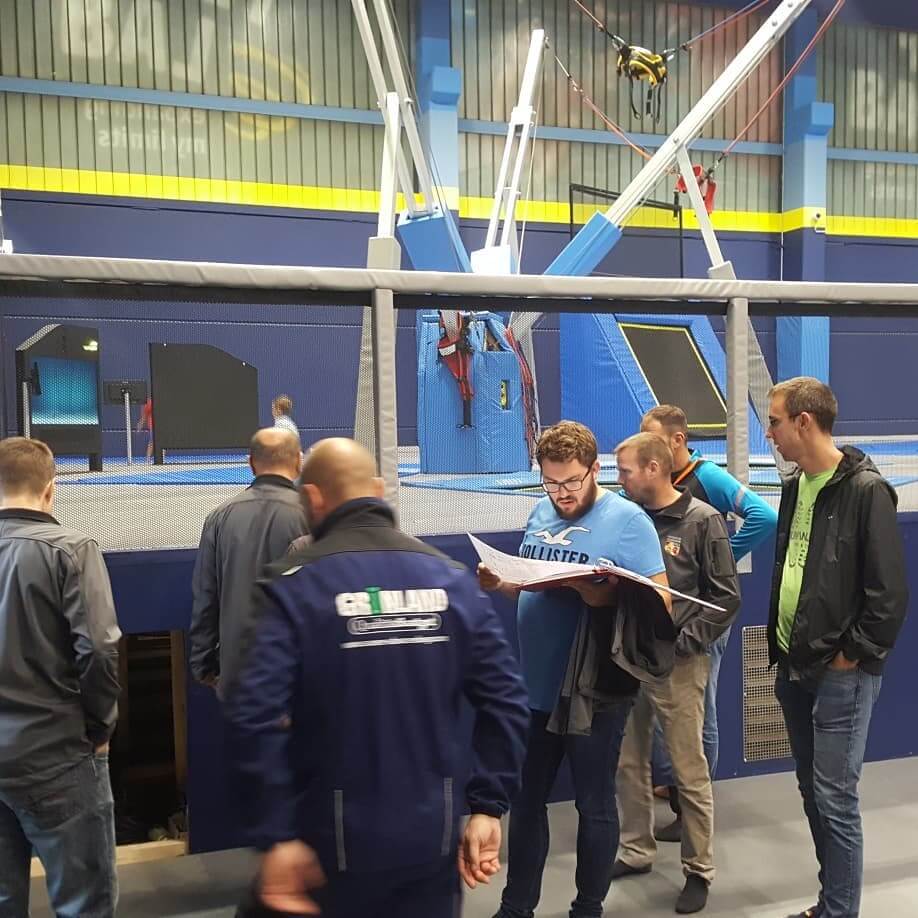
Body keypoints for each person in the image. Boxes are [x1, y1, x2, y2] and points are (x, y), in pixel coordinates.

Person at [225, 438, 529, 918]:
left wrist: (276, 836)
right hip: (430, 840)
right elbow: (507, 700)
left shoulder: (293, 586)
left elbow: (253, 715)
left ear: (314, 499)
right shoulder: (450, 580)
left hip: (327, 847)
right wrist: (488, 806)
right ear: (380, 490)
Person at [482, 420, 672, 918]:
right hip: (535, 687)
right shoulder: (540, 510)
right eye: (551, 482)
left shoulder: (629, 521)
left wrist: (598, 595)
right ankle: (515, 907)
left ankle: (588, 908)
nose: (561, 493)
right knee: (526, 801)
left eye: (571, 481)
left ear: (594, 470)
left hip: (595, 691)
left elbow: (662, 607)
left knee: (594, 803)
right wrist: (502, 582)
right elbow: (531, 587)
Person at [765, 378, 908, 918]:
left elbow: (888, 595)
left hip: (840, 673)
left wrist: (852, 655)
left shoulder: (867, 491)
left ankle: (840, 911)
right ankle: (832, 903)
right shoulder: (795, 485)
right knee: (813, 791)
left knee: (835, 798)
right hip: (793, 663)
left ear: (803, 422)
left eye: (775, 421)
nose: (770, 433)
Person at [613, 432, 741, 914]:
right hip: (629, 663)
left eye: (625, 470)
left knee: (689, 770)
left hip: (681, 665)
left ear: (653, 468)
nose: (620, 479)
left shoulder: (701, 521)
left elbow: (725, 599)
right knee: (629, 763)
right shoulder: (626, 518)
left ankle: (699, 869)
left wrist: (683, 644)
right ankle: (636, 849)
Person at [640, 404, 778, 840]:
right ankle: (675, 784)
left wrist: (720, 560)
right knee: (666, 702)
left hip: (704, 612)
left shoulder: (708, 477)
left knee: (701, 706)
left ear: (678, 440)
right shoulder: (657, 480)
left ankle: (694, 808)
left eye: (653, 438)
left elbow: (764, 516)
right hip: (668, 609)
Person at [0, 436, 121, 916]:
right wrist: (99, 727)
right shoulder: (71, 550)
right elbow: (99, 649)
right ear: (51, 489)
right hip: (58, 756)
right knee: (84, 904)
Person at [189, 428, 308, 692]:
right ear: (299, 461)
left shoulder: (219, 517)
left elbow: (206, 595)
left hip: (237, 673)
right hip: (296, 675)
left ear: (251, 463)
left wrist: (203, 664)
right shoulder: (312, 515)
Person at [136, 395, 154, 461]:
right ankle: (148, 459)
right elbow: (144, 416)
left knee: (162, 442)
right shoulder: (149, 403)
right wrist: (140, 425)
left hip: (161, 426)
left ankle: (162, 458)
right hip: (152, 426)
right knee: (152, 441)